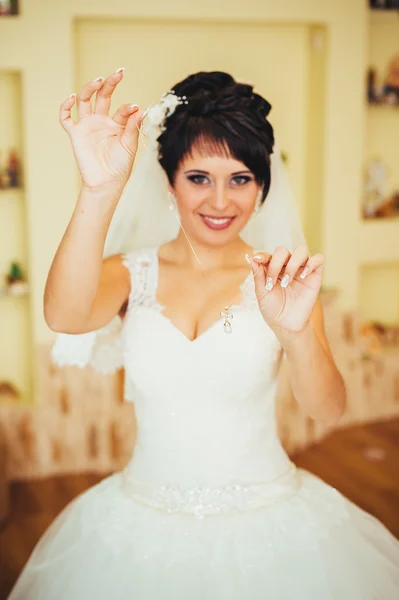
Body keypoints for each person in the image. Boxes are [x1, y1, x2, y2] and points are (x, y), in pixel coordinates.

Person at [8, 69, 399, 599]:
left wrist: (297, 331)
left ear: (262, 185)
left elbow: (326, 411)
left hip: (270, 520)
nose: (220, 201)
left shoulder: (282, 283)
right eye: (199, 178)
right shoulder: (131, 272)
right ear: (168, 180)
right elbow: (64, 314)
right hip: (139, 521)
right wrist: (100, 192)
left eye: (240, 178)